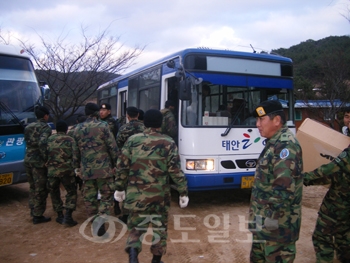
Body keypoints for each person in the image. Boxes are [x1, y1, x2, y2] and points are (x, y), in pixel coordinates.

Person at [114, 109, 189, 263]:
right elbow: (175, 170)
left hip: (136, 195)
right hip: (159, 197)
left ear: (144, 122)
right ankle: (156, 260)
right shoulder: (168, 142)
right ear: (161, 123)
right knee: (159, 228)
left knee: (136, 227)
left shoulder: (132, 141)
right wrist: (183, 192)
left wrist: (119, 188)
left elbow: (122, 167)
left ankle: (133, 256)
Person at [248, 100, 303, 263]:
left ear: (277, 120)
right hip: (263, 226)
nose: (257, 125)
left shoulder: (285, 146)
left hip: (276, 229)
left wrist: (269, 225)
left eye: (261, 119)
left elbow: (283, 190)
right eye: (257, 120)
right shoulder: (274, 143)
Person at [73, 103, 119, 236]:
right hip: (104, 169)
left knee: (90, 198)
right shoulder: (103, 126)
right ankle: (101, 220)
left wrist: (76, 168)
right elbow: (113, 147)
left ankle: (94, 222)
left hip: (86, 170)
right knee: (106, 197)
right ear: (96, 112)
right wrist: (116, 164)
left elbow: (75, 152)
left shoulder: (77, 129)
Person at [303, 149, 350, 261]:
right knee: (344, 235)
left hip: (338, 204)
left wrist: (303, 178)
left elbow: (330, 171)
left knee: (322, 236)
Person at [115, 106, 145, 220]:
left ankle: (127, 214)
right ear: (138, 115)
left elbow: (118, 145)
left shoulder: (123, 129)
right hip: (143, 162)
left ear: (127, 116)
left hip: (128, 162)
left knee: (129, 188)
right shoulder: (145, 128)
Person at [46, 120, 78, 226]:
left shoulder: (49, 140)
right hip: (67, 171)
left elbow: (44, 154)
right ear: (65, 129)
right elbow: (75, 157)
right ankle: (68, 215)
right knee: (71, 192)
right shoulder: (70, 140)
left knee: (54, 192)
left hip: (52, 172)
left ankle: (60, 215)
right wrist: (76, 169)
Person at [24, 106, 52, 224]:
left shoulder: (28, 127)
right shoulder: (45, 127)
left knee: (32, 186)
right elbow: (42, 144)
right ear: (45, 116)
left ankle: (33, 209)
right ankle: (38, 214)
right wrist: (46, 159)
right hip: (38, 162)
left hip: (28, 159)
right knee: (41, 188)